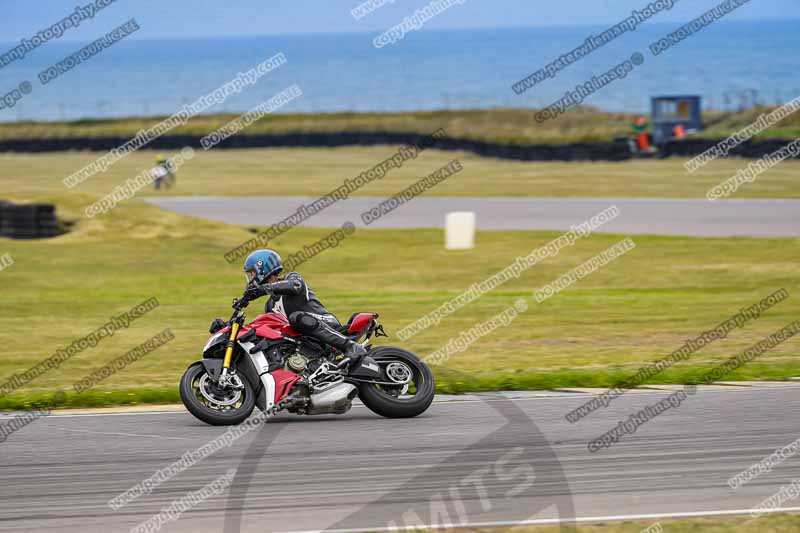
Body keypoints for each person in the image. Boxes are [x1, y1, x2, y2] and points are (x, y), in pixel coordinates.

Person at [240, 249, 367, 366]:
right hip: (306, 340)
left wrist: (264, 289)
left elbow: (295, 285)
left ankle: (351, 346)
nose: (250, 278)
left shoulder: (292, 278)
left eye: (252, 273)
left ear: (263, 269)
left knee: (296, 318)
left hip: (325, 322)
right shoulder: (269, 305)